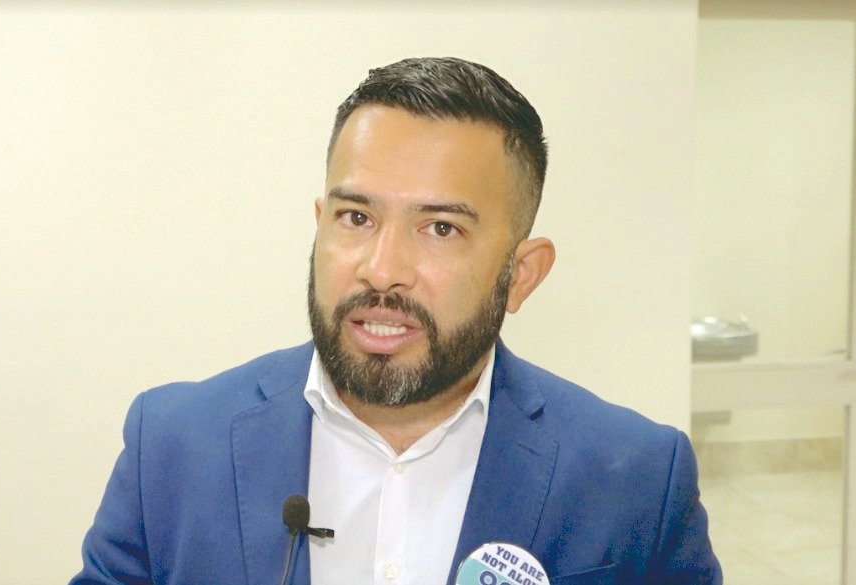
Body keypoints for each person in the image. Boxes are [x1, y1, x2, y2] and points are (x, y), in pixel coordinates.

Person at [71, 57, 721, 585]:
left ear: (521, 274)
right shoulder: (173, 446)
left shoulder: (635, 478)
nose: (382, 270)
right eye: (356, 218)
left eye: (440, 228)